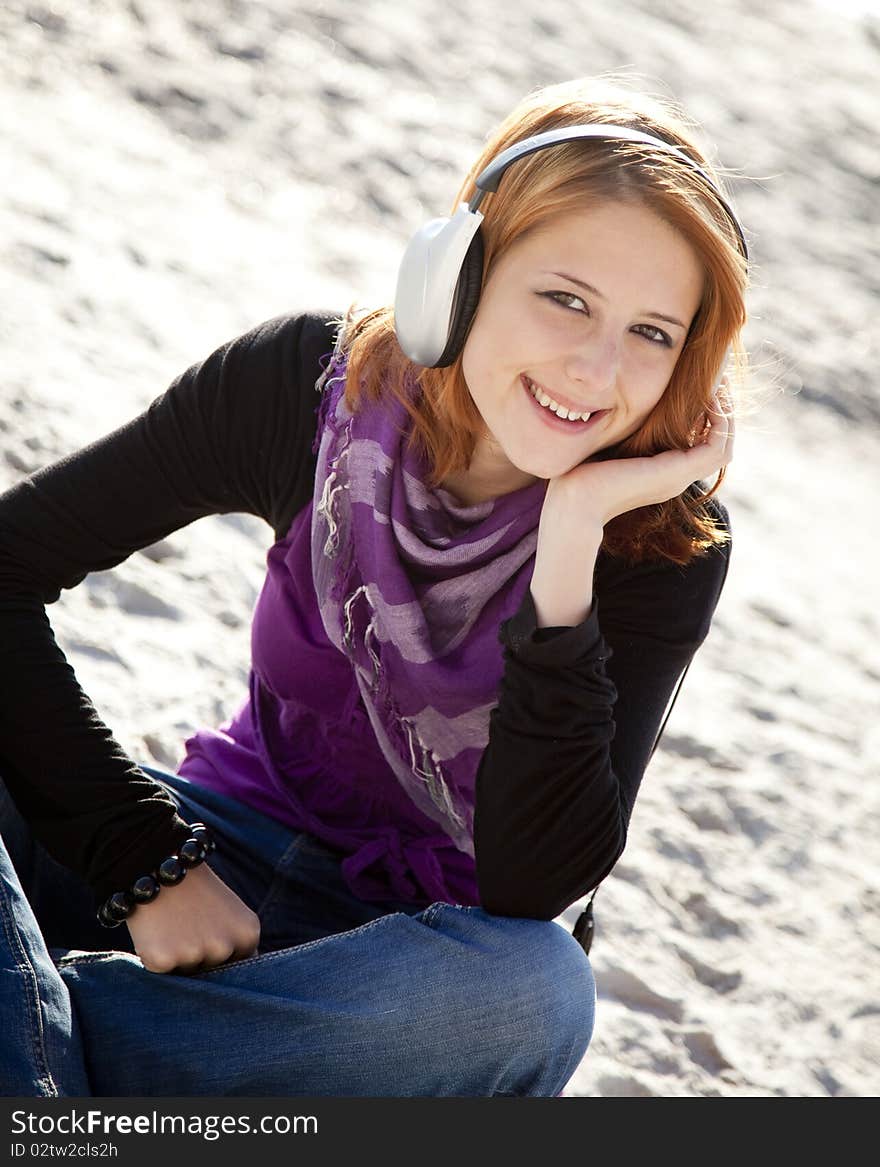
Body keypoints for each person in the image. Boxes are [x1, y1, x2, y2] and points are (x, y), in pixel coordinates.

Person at [0, 75, 747, 1098]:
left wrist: (570, 545)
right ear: (458, 276)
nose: (595, 368)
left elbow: (535, 885)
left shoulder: (660, 545)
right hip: (200, 864)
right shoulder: (307, 385)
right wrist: (145, 860)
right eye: (565, 299)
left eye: (651, 334)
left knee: (541, 993)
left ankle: (35, 1040)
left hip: (398, 976)